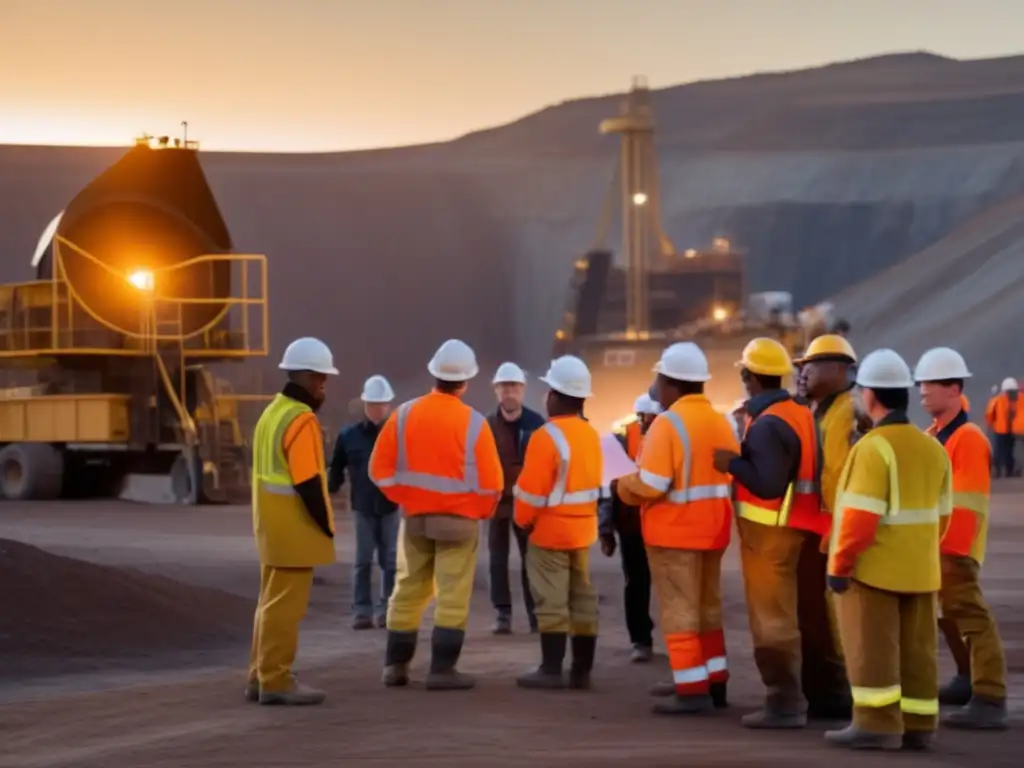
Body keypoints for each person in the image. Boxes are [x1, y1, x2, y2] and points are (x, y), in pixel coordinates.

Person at [825, 348, 950, 751]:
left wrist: (840, 567)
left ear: (871, 397)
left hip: (873, 571)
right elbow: (944, 516)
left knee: (871, 648)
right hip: (922, 570)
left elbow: (859, 520)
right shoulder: (932, 447)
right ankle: (919, 722)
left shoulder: (873, 449)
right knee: (918, 652)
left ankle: (876, 723)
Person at [370, 339, 503, 690]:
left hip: (415, 519)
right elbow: (493, 485)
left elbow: (378, 470)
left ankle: (395, 668)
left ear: (433, 374)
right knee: (452, 594)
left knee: (408, 589)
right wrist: (476, 512)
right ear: (466, 382)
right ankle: (442, 671)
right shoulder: (475, 423)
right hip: (459, 524)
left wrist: (407, 498)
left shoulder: (404, 414)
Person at [713, 337, 827, 729]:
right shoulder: (797, 412)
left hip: (770, 534)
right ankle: (812, 695)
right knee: (795, 616)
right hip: (797, 528)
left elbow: (768, 484)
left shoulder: (767, 425)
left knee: (772, 621)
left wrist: (731, 463)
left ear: (748, 376)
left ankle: (784, 702)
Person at [618, 343, 738, 715]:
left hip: (675, 535)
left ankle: (691, 689)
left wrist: (621, 486)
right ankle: (714, 681)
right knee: (708, 609)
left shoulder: (668, 423)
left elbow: (652, 484)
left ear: (672, 383)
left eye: (659, 378)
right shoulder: (721, 421)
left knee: (680, 612)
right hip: (713, 531)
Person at [915, 347, 1008, 730]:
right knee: (948, 615)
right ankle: (967, 678)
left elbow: (967, 503)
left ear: (953, 389)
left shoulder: (967, 438)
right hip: (936, 547)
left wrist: (951, 552)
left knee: (971, 616)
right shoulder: (935, 435)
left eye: (930, 384)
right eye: (920, 383)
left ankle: (990, 694)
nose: (922, 391)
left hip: (955, 548)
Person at [247, 337, 339, 706]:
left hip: (270, 528)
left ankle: (260, 674)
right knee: (286, 609)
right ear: (308, 378)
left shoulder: (272, 412)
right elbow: (306, 481)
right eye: (321, 379)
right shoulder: (301, 419)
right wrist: (325, 524)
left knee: (269, 605)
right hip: (294, 531)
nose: (323, 387)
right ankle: (276, 679)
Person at [514, 356, 602, 690]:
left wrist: (523, 523)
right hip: (583, 531)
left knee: (550, 601)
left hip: (550, 532)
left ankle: (551, 669)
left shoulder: (545, 437)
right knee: (582, 599)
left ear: (556, 395)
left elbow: (532, 493)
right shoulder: (591, 434)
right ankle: (582, 671)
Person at [793, 335, 857, 719]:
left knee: (843, 620)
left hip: (840, 531)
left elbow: (842, 479)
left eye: (811, 366)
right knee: (824, 620)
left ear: (838, 370)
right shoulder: (822, 412)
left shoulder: (848, 413)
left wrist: (838, 532)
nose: (803, 373)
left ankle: (850, 695)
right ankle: (833, 693)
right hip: (823, 532)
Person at [329, 374, 400, 630]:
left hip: (391, 506)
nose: (378, 409)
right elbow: (336, 467)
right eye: (373, 404)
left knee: (390, 561)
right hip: (362, 507)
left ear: (389, 406)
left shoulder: (398, 436)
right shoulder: (349, 436)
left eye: (382, 404)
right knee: (362, 560)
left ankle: (388, 609)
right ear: (365, 405)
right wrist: (328, 489)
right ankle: (362, 611)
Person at [598, 393, 660, 663]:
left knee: (670, 587)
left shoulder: (668, 438)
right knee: (636, 583)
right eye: (649, 417)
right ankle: (641, 639)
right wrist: (605, 530)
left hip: (663, 527)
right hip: (632, 528)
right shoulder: (620, 443)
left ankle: (679, 645)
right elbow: (608, 490)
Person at [487, 361, 545, 635]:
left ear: (522, 390)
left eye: (514, 386)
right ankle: (503, 613)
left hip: (527, 502)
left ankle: (535, 614)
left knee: (529, 559)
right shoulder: (487, 425)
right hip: (497, 502)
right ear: (496, 390)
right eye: (504, 387)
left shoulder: (536, 424)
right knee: (497, 558)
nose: (509, 392)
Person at [985, 377, 1023, 477]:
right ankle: (1006, 471)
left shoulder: (997, 400)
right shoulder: (1020, 399)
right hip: (1008, 430)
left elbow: (989, 414)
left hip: (1005, 430)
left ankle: (1001, 471)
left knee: (1002, 451)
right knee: (1006, 452)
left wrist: (991, 424)